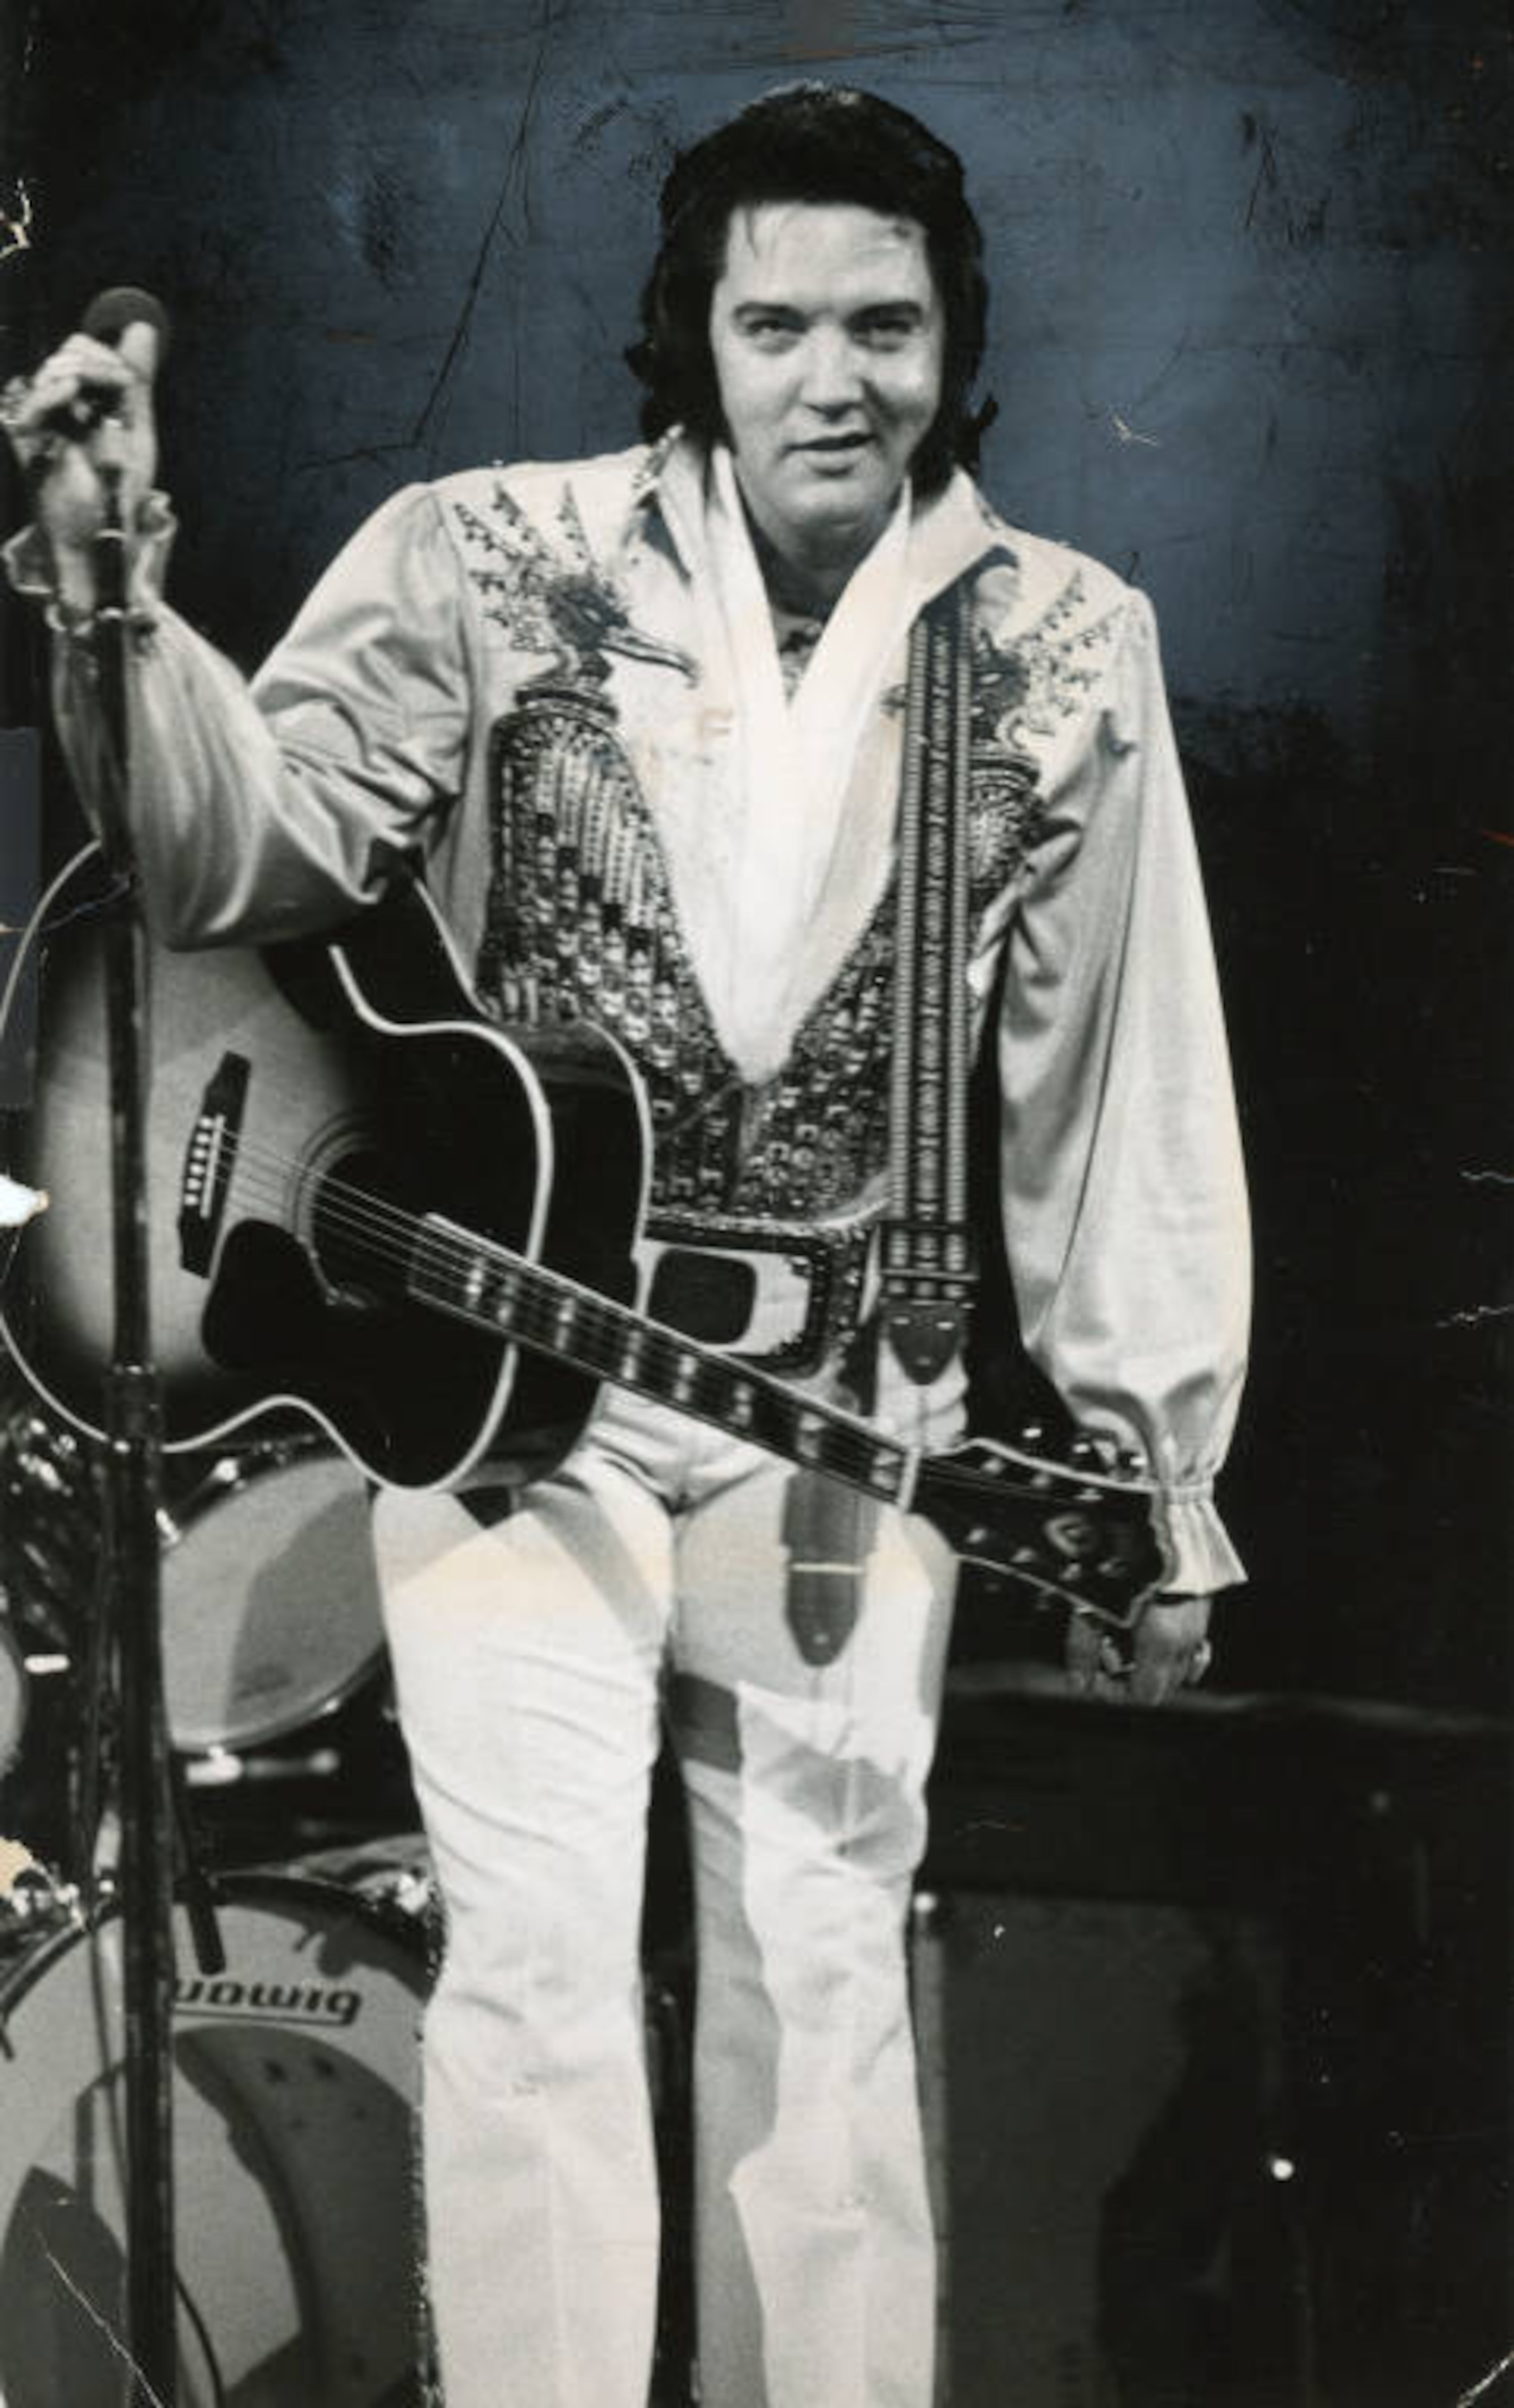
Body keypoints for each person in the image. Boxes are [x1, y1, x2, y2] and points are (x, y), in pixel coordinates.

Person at [3, 82, 1249, 2408]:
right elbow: (221, 869)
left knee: (823, 2000)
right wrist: (119, 607)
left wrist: (1154, 1469)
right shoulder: (483, 554)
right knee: (542, 1989)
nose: (836, 377)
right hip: (504, 1397)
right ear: (697, 336)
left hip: (844, 1414)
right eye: (776, 322)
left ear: (955, 341)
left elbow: (1120, 1087)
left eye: (889, 322)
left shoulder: (1066, 643)